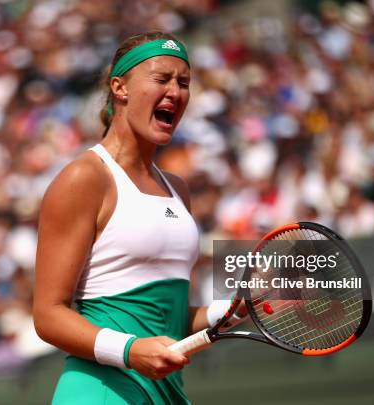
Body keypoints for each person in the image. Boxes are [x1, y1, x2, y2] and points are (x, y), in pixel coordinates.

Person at [33, 31, 237, 404]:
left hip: (166, 395)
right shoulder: (84, 178)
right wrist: (130, 351)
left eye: (184, 83)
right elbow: (48, 315)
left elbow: (164, 320)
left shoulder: (178, 189)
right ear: (119, 87)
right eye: (161, 79)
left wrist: (233, 309)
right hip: (100, 393)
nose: (175, 92)